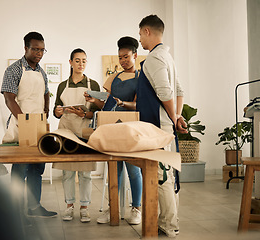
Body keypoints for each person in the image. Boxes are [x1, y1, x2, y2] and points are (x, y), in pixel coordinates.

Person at [137, 14, 187, 237]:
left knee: (162, 177)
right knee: (167, 175)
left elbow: (166, 92)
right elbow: (179, 92)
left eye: (140, 34)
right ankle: (168, 221)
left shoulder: (155, 58)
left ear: (148, 31)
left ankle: (168, 226)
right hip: (166, 124)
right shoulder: (168, 57)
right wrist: (176, 116)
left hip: (158, 126)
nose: (139, 39)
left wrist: (174, 118)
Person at [85, 36, 143, 225]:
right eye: (120, 57)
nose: (123, 61)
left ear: (135, 55)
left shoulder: (141, 78)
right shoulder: (114, 78)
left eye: (126, 56)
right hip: (112, 128)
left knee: (133, 170)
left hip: (130, 128)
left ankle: (136, 208)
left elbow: (140, 105)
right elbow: (107, 104)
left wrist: (123, 103)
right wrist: (95, 100)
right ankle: (114, 209)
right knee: (114, 171)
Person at [1, 31, 57, 218]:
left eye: (42, 50)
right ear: (26, 48)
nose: (39, 53)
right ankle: (14, 211)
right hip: (21, 125)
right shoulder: (14, 69)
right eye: (35, 49)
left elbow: (46, 93)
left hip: (39, 126)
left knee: (37, 168)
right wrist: (25, 122)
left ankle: (34, 208)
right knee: (20, 169)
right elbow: (9, 99)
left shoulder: (41, 72)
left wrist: (46, 112)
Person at [53, 48, 100, 223]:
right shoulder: (61, 86)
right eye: (78, 60)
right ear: (71, 62)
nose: (81, 64)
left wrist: (85, 114)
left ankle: (85, 208)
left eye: (84, 61)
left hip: (85, 129)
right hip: (66, 129)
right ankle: (69, 206)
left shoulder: (93, 84)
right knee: (67, 171)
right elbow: (57, 110)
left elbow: (98, 111)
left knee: (86, 172)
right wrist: (57, 111)